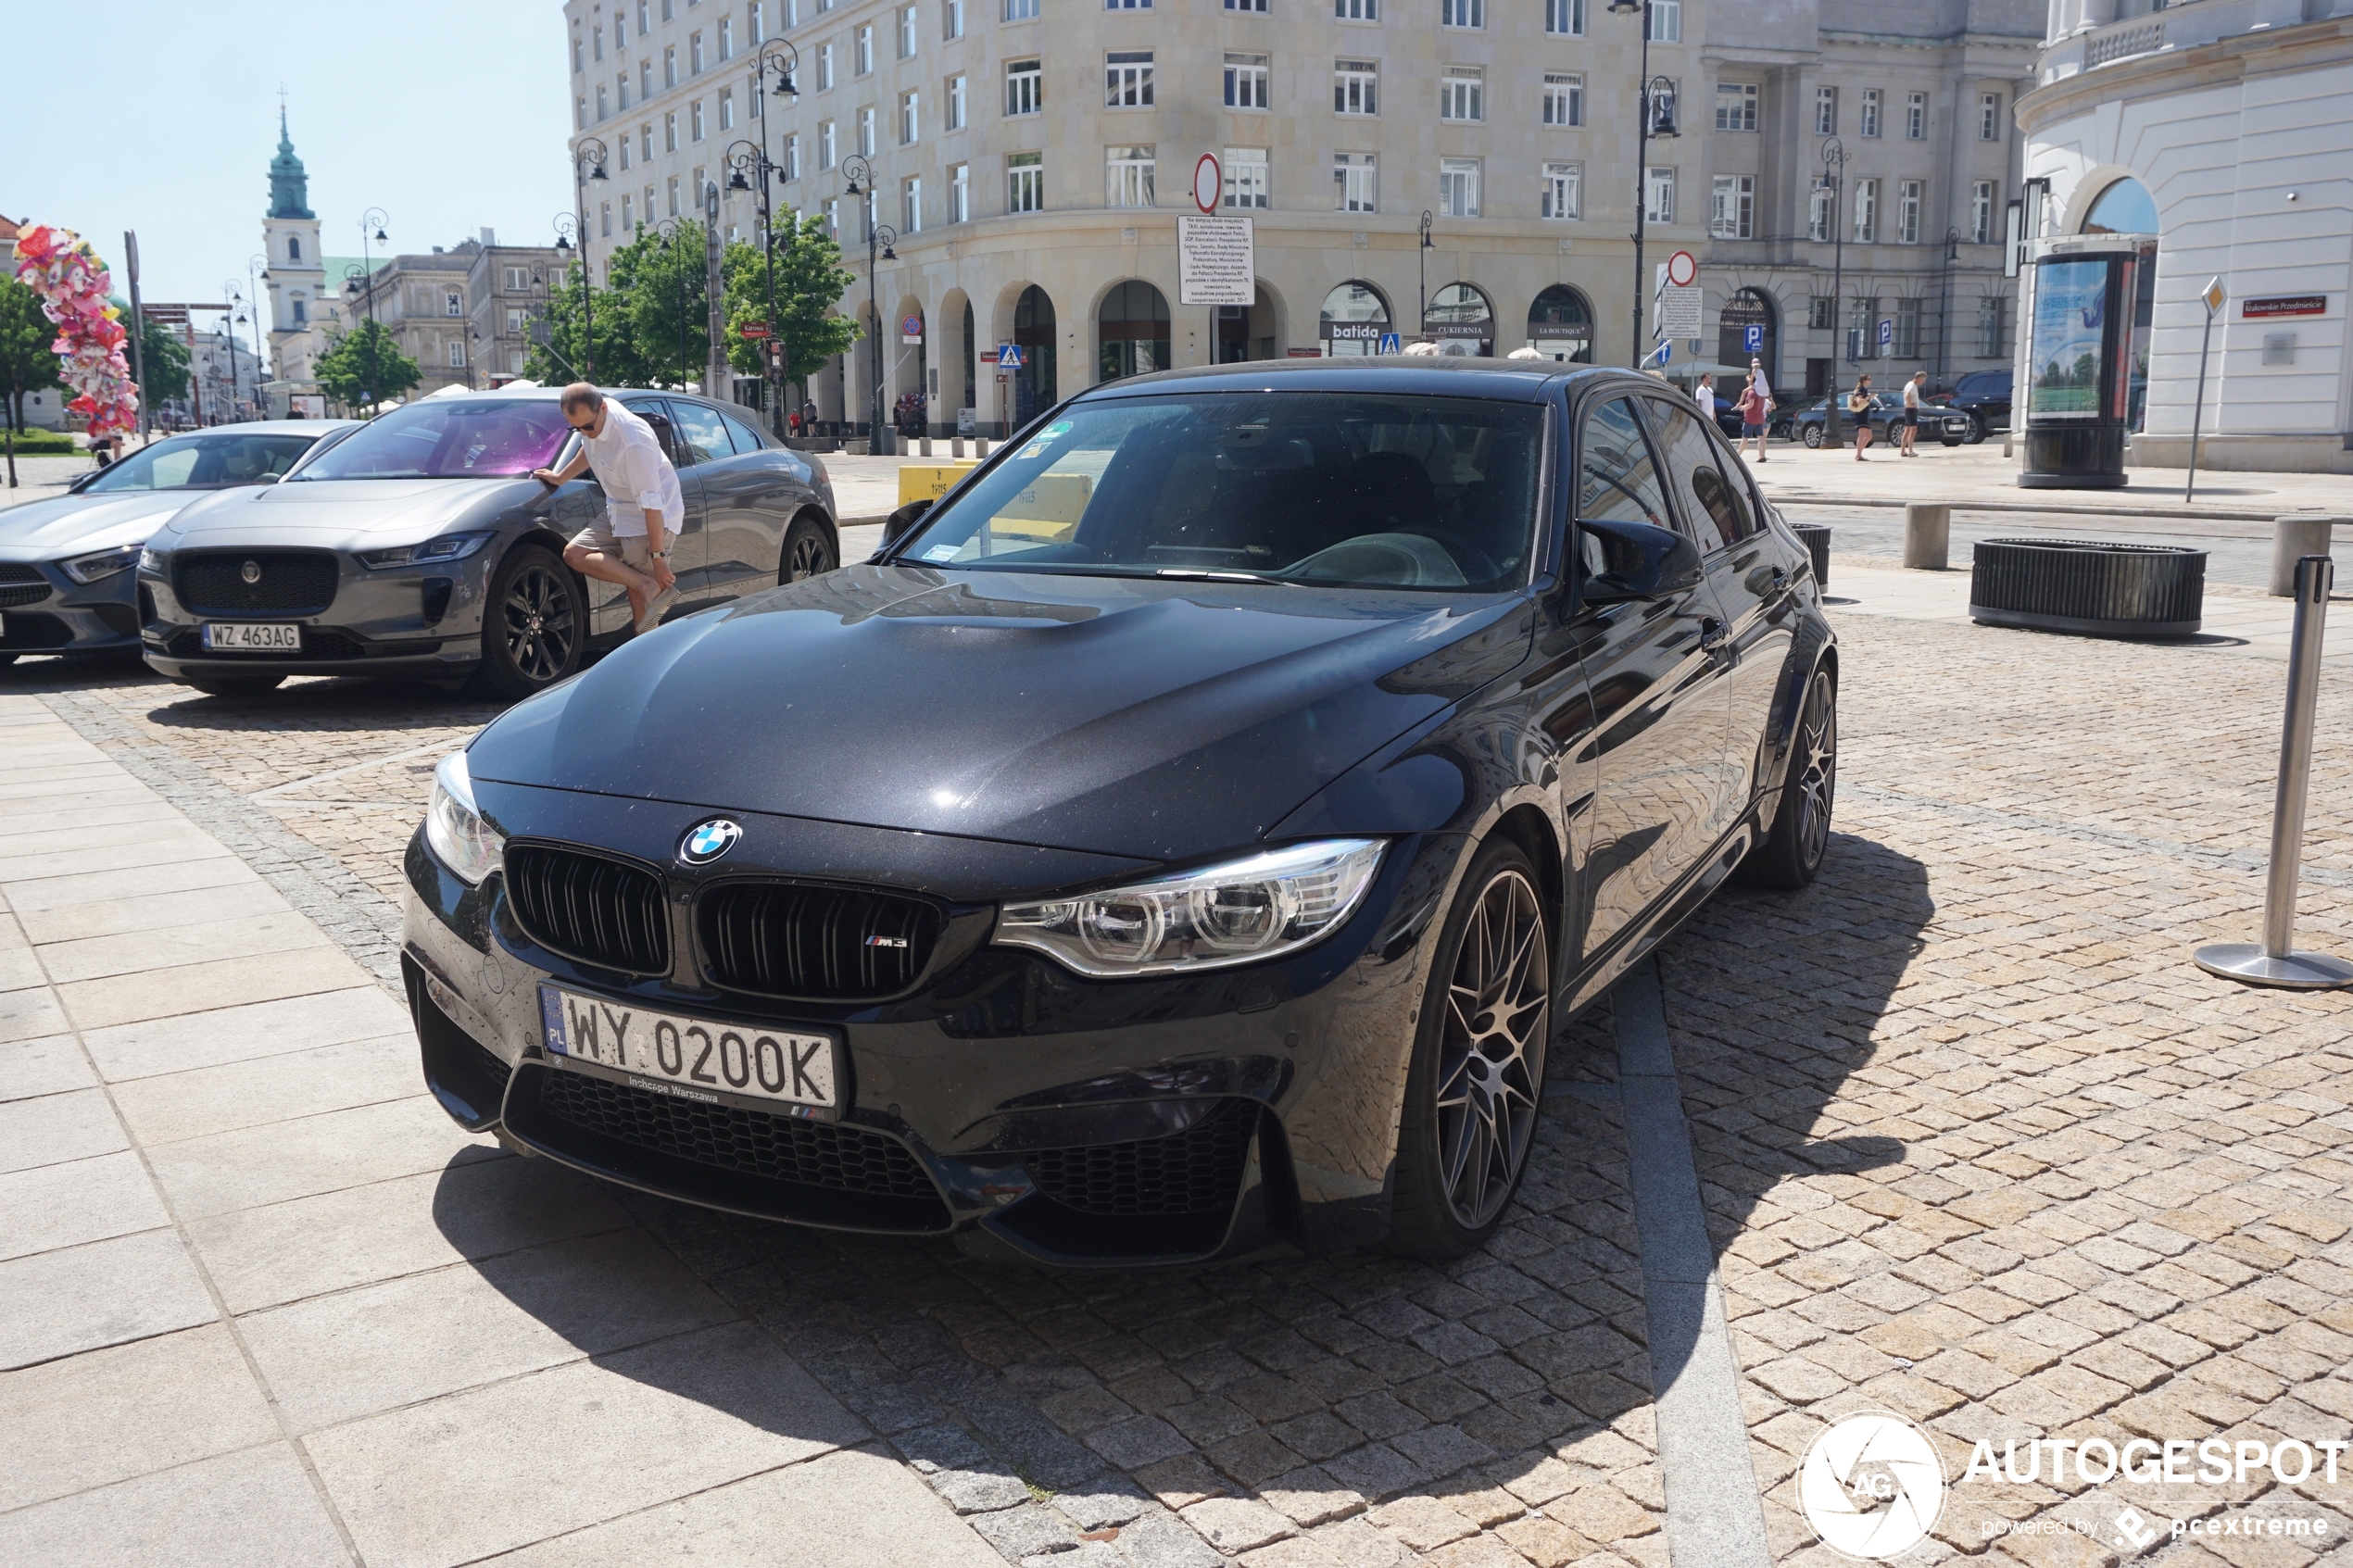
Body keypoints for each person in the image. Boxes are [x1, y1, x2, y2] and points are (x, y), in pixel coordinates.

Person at [532, 383, 683, 635]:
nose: (585, 432)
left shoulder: (632, 441)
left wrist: (659, 559)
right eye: (576, 428)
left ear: (602, 408)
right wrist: (560, 477)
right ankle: (646, 584)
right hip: (618, 507)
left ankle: (648, 653)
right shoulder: (594, 420)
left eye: (588, 426)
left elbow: (652, 504)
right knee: (574, 554)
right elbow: (590, 447)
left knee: (641, 601)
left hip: (651, 515)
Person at [1737, 373, 1770, 462]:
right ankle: (1762, 456)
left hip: (1750, 419)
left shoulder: (1751, 392)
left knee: (1745, 439)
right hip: (1760, 418)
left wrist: (1742, 407)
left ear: (1752, 382)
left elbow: (1750, 405)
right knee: (1761, 438)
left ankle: (1738, 455)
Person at [1847, 375, 1876, 460]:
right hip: (1861, 414)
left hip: (1865, 414)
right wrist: (1869, 397)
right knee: (1862, 435)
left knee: (1869, 436)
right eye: (1869, 379)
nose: (1871, 380)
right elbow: (1858, 402)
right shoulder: (1861, 389)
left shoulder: (1864, 389)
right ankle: (1858, 455)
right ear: (1864, 380)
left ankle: (1859, 453)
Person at [1899, 370, 1927, 458]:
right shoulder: (1912, 386)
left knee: (1907, 430)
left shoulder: (1910, 384)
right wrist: (1911, 404)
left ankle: (1903, 451)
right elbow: (1907, 396)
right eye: (1923, 380)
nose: (1923, 382)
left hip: (1909, 409)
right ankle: (1910, 451)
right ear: (1919, 378)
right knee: (1913, 430)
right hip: (1911, 410)